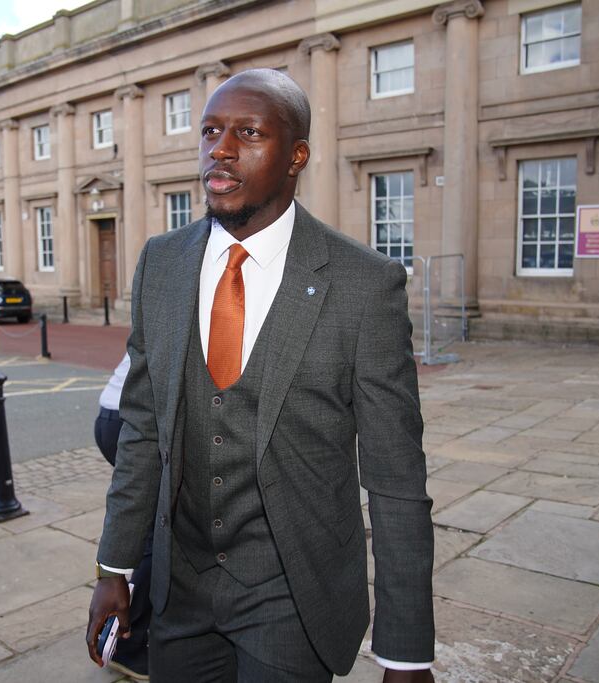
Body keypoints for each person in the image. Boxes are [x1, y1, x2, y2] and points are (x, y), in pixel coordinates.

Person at [87, 68, 434, 682]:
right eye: (211, 132)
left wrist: (405, 651)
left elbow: (396, 478)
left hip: (292, 595)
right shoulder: (161, 265)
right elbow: (141, 431)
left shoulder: (363, 285)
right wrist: (115, 570)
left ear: (296, 155)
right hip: (180, 590)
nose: (220, 150)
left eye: (248, 133)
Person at [93, 352, 151, 680]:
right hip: (125, 422)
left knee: (153, 531)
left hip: (112, 414)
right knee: (153, 541)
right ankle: (126, 648)